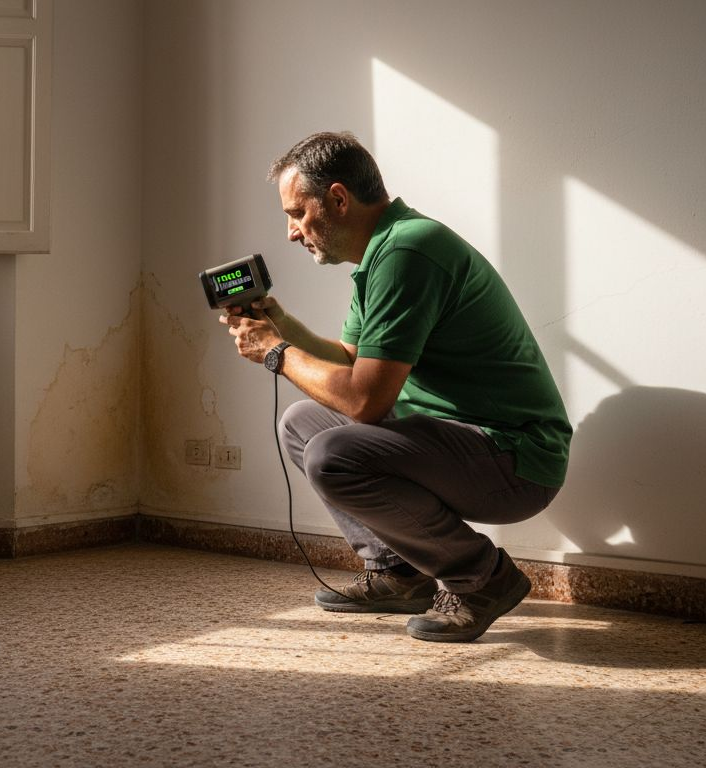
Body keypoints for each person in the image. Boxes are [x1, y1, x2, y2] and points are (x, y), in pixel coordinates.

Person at [220, 131, 571, 642]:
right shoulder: (380, 256)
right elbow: (350, 363)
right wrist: (280, 324)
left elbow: (365, 401)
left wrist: (276, 353)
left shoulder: (409, 251)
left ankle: (482, 578)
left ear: (338, 198)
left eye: (297, 213)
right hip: (455, 443)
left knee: (332, 452)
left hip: (516, 457)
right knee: (302, 423)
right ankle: (398, 573)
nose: (292, 232)